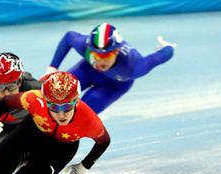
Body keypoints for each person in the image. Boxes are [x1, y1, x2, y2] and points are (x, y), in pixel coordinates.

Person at [40, 23, 176, 114]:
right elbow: (68, 37)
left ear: (117, 51)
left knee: (77, 115)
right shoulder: (85, 46)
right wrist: (52, 69)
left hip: (114, 85)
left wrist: (167, 47)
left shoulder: (135, 66)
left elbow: (165, 55)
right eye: (97, 55)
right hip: (88, 70)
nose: (101, 60)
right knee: (50, 95)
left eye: (107, 54)